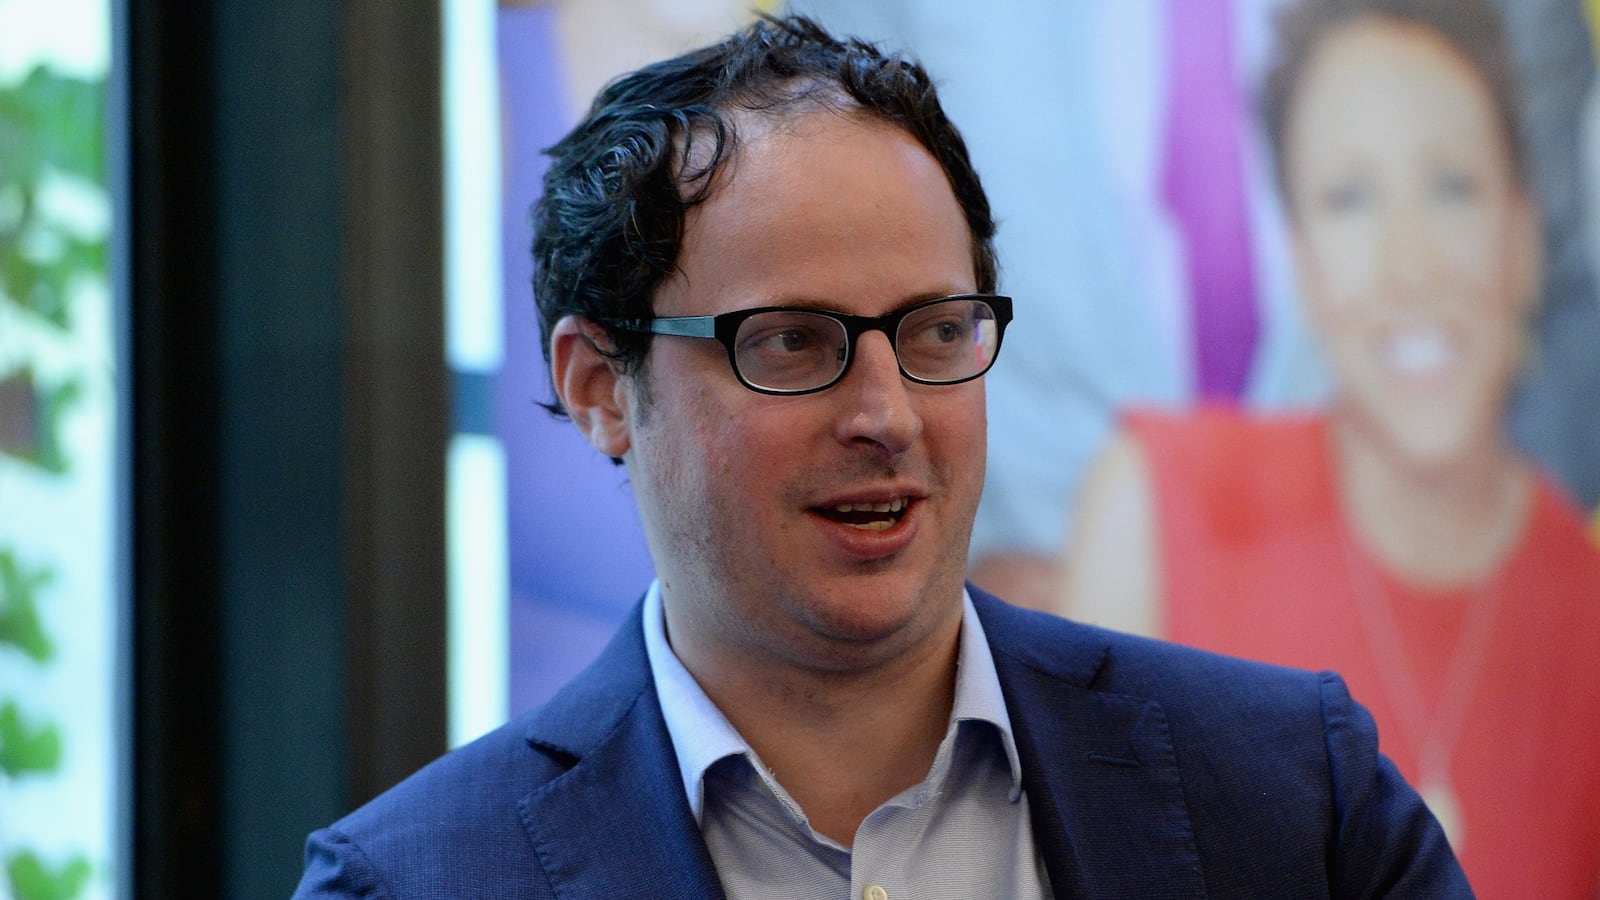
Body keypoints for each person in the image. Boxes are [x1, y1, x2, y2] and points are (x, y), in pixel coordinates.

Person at [293, 15, 1468, 898]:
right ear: (601, 388)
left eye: (935, 332)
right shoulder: (416, 881)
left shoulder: (1294, 802)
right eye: (793, 343)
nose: (888, 413)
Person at [1057, 0, 1600, 896]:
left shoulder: (1584, 621)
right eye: (1348, 198)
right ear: (1302, 260)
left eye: (1452, 187)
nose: (1409, 266)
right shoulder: (1153, 514)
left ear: (1524, 230)